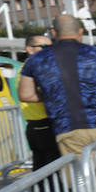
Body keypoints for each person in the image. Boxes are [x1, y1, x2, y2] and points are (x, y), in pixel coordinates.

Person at [18, 15, 96, 154]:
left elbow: (26, 95)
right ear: (80, 31)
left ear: (54, 33)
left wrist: (53, 95)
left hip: (68, 128)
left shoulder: (37, 59)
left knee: (80, 174)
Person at [20, 34, 61, 170]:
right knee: (52, 167)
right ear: (29, 49)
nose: (49, 50)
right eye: (43, 47)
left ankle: (45, 191)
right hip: (42, 124)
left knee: (42, 166)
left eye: (51, 46)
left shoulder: (36, 68)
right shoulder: (29, 70)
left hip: (40, 125)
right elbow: (31, 94)